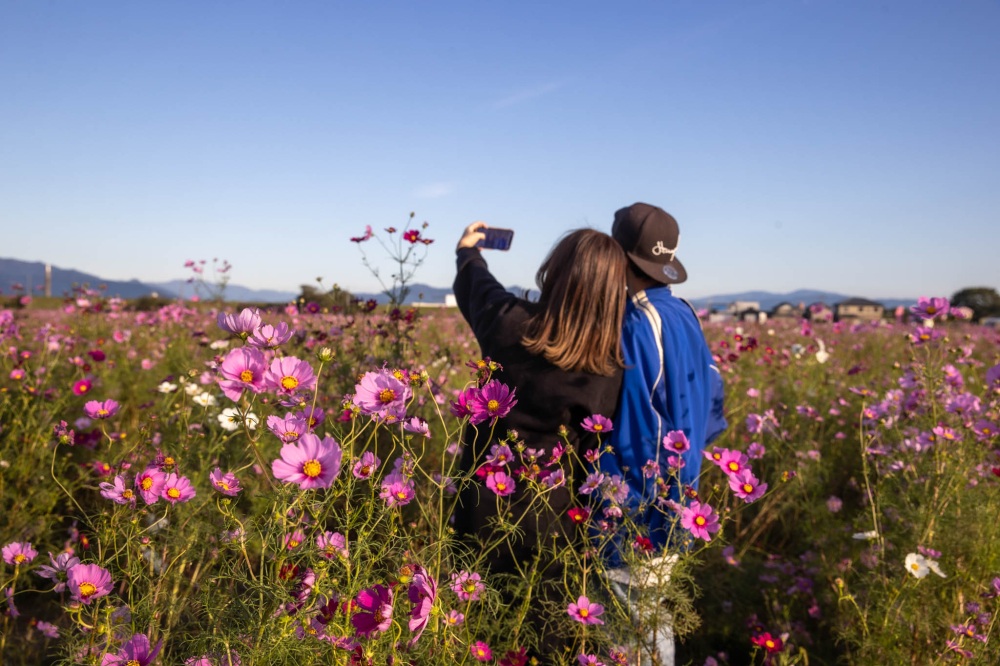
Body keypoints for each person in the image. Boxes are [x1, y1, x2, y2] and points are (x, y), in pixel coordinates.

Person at [452, 221, 628, 661]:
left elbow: (479, 287)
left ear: (553, 272)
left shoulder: (509, 324)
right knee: (540, 630)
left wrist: (468, 251)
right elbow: (592, 457)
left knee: (475, 619)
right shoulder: (607, 369)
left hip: (482, 504)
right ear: (612, 295)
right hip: (554, 518)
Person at [597, 202, 728, 666]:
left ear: (618, 257)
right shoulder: (684, 312)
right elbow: (714, 398)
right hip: (679, 498)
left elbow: (646, 434)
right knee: (650, 619)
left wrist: (634, 510)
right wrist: (683, 485)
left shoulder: (636, 322)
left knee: (632, 630)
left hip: (639, 511)